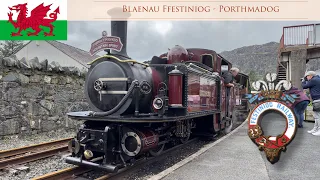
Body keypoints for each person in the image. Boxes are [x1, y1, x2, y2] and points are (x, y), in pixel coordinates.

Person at [301, 71, 320, 135]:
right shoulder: (317, 79)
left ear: (310, 75)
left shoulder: (313, 80)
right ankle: (315, 129)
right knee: (316, 115)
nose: (307, 78)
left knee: (317, 116)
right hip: (317, 99)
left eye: (307, 76)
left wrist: (303, 81)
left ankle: (318, 130)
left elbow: (304, 86)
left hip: (317, 99)